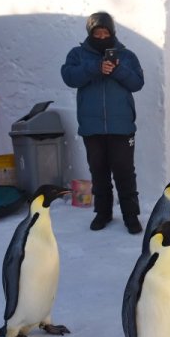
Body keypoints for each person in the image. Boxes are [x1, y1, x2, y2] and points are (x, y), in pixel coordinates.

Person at [61, 12, 145, 234]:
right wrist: (95, 68)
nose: (101, 36)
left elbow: (137, 83)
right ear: (89, 33)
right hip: (92, 127)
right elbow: (69, 77)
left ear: (112, 32)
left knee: (124, 172)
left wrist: (116, 69)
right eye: (96, 33)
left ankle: (131, 215)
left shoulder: (127, 56)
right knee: (98, 172)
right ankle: (103, 213)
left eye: (105, 32)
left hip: (122, 127)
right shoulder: (78, 55)